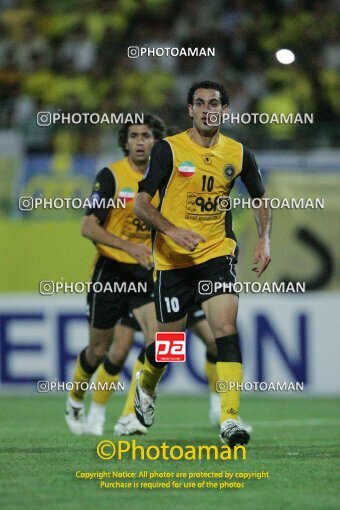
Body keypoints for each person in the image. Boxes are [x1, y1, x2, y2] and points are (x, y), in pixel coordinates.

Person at [133, 80, 271, 447]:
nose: (207, 108)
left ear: (225, 110)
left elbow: (259, 197)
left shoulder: (239, 153)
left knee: (225, 326)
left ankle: (230, 419)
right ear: (190, 110)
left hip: (216, 252)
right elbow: (141, 204)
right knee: (169, 344)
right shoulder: (169, 150)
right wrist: (171, 230)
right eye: (200, 102)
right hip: (172, 258)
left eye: (214, 102)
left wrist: (264, 239)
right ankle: (146, 384)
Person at [65, 114, 166, 435]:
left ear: (156, 142)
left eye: (146, 136)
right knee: (98, 351)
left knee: (161, 341)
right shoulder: (111, 176)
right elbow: (88, 226)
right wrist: (128, 246)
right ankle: (76, 398)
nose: (139, 141)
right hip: (110, 271)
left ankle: (133, 413)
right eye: (133, 135)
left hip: (145, 272)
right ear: (125, 142)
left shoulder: (167, 178)